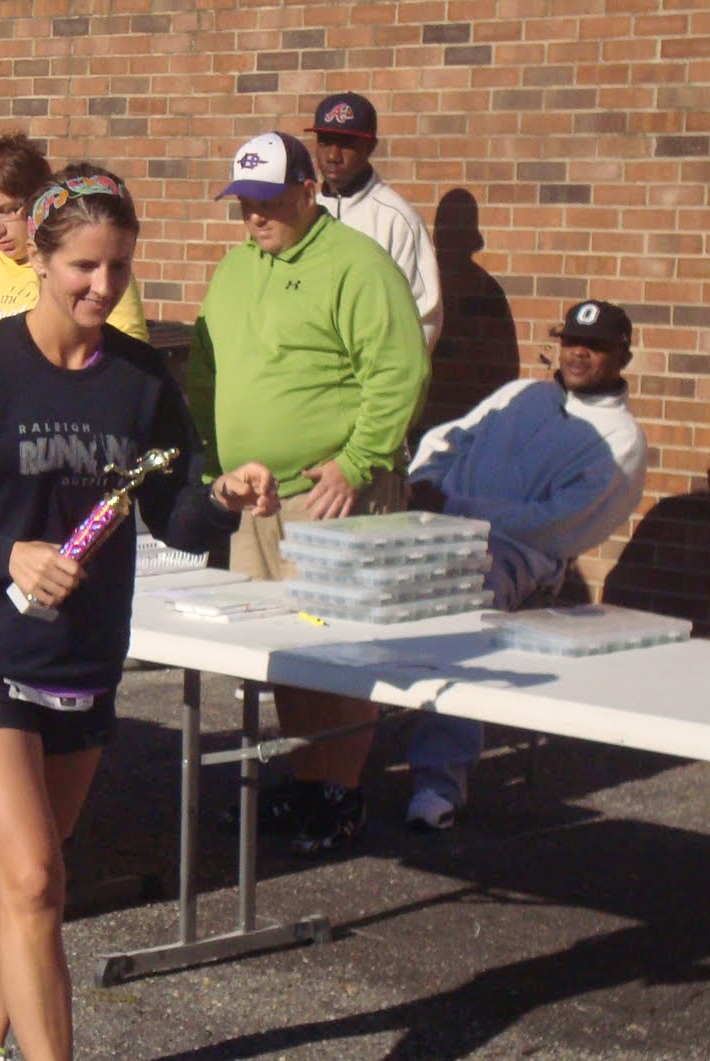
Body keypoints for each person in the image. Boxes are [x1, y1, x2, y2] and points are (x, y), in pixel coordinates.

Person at [0, 164, 277, 1061]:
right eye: (83, 268)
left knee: (27, 883)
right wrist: (5, 555)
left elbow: (173, 516)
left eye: (119, 268)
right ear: (41, 262)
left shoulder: (139, 379)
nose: (102, 286)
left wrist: (223, 496)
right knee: (34, 879)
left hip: (83, 658)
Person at [187, 131, 429, 857]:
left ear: (307, 191)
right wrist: (216, 464)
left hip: (334, 495)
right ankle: (305, 781)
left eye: (269, 201)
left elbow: (400, 370)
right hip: (257, 498)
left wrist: (356, 463)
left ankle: (340, 793)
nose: (255, 216)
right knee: (284, 649)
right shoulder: (236, 267)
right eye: (244, 203)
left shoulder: (357, 264)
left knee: (340, 650)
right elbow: (206, 366)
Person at [403, 299, 647, 829]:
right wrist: (423, 482)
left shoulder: (622, 439)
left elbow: (556, 527)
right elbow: (449, 438)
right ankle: (331, 763)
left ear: (623, 356)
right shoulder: (523, 393)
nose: (578, 353)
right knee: (354, 566)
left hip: (520, 556)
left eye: (595, 346)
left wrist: (457, 507)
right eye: (571, 341)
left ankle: (438, 783)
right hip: (437, 521)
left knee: (462, 602)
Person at [0, 132, 148, 363]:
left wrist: (19, 348)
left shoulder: (87, 260)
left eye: (7, 211)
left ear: (38, 200)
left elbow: (129, 349)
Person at [307, 91, 442, 351]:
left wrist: (389, 371)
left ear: (370, 146)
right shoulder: (305, 212)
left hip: (371, 370)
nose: (333, 155)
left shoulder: (397, 219)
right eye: (325, 142)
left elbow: (425, 316)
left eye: (346, 143)